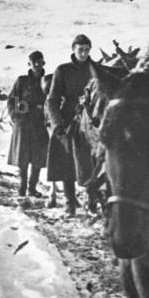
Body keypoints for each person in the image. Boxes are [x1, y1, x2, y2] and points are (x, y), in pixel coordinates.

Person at [47, 33, 94, 216]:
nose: (83, 53)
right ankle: (69, 203)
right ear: (73, 50)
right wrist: (57, 123)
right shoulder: (63, 70)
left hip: (92, 120)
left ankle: (91, 201)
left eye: (87, 50)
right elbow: (52, 100)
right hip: (69, 119)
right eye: (80, 49)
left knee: (93, 162)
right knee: (68, 163)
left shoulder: (95, 69)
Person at [7, 50, 49, 197]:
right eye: (34, 62)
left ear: (44, 63)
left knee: (38, 158)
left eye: (40, 61)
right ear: (29, 64)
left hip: (40, 124)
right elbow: (12, 99)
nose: (37, 65)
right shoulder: (22, 81)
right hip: (23, 124)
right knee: (22, 158)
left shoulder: (48, 80)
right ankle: (22, 186)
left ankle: (32, 187)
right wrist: (14, 115)